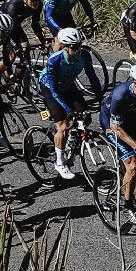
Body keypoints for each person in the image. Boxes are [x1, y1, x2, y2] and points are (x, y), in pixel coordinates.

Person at [39, 27, 105, 181]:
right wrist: (67, 109)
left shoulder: (85, 55)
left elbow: (93, 78)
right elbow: (54, 90)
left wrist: (101, 100)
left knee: (86, 117)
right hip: (51, 88)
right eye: (74, 47)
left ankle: (69, 144)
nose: (78, 50)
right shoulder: (54, 61)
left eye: (79, 46)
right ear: (64, 47)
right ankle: (59, 162)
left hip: (67, 85)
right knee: (63, 126)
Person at [100, 63, 136, 229]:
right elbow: (116, 127)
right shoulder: (120, 95)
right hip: (112, 124)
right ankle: (128, 206)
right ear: (135, 83)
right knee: (132, 165)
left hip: (132, 119)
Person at [0, 0, 44, 70]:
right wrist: (14, 45)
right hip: (2, 27)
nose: (36, 2)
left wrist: (42, 40)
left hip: (15, 26)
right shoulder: (14, 5)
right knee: (11, 56)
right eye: (33, 0)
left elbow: (35, 24)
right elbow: (6, 30)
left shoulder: (38, 5)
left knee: (25, 50)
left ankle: (21, 76)